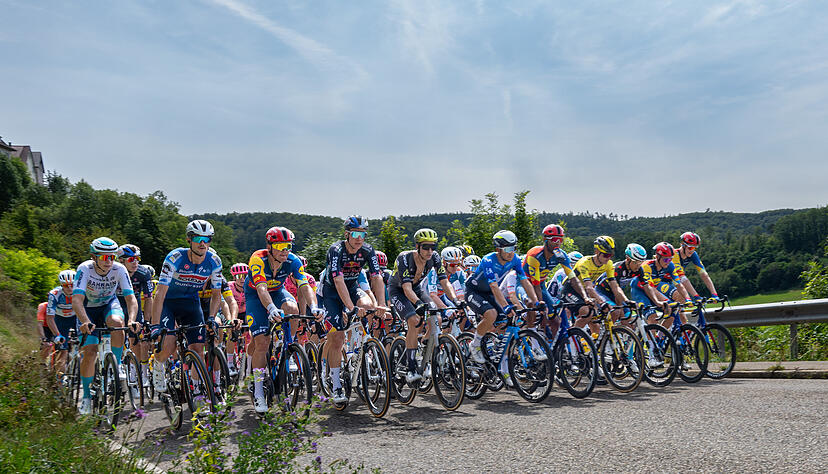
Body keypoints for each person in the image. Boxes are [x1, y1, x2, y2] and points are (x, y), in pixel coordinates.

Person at [244, 226, 321, 413]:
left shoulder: (293, 261)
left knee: (293, 309)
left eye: (288, 246)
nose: (285, 250)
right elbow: (261, 289)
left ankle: (288, 345)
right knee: (262, 342)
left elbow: (305, 286)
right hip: (256, 296)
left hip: (278, 292)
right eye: (280, 246)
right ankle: (259, 391)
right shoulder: (258, 259)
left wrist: (314, 306)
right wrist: (270, 308)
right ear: (269, 246)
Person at [317, 215, 387, 404]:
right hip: (331, 292)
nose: (359, 238)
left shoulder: (367, 250)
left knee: (369, 305)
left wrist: (381, 303)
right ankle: (336, 383)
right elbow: (338, 280)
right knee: (337, 338)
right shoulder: (336, 250)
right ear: (347, 234)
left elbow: (376, 277)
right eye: (355, 234)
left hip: (351, 286)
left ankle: (360, 348)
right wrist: (350, 308)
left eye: (363, 234)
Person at [149, 220, 224, 395]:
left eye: (207, 239)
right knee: (168, 344)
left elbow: (216, 294)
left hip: (191, 303)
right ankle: (158, 364)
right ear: (189, 240)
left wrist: (212, 317)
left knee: (198, 349)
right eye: (198, 238)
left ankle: (197, 393)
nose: (203, 243)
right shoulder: (175, 258)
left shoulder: (214, 261)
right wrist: (154, 325)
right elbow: (159, 293)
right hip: (169, 303)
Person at [387, 229, 463, 383]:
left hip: (416, 289)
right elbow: (406, 289)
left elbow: (444, 281)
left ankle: (423, 348)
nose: (430, 251)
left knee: (438, 319)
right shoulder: (404, 258)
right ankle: (411, 367)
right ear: (417, 246)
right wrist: (418, 304)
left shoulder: (434, 258)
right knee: (414, 321)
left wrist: (456, 300)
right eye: (426, 247)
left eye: (433, 247)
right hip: (398, 291)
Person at [72, 237, 138, 415]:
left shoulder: (119, 269)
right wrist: (85, 321)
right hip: (88, 309)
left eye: (112, 257)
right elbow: (77, 300)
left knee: (118, 323)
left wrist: (131, 319)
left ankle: (115, 368)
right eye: (104, 257)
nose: (109, 261)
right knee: (91, 351)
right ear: (94, 257)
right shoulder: (84, 269)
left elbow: (130, 299)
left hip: (109, 304)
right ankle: (86, 396)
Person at [464, 230, 540, 381]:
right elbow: (494, 286)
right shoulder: (488, 260)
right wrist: (506, 306)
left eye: (514, 248)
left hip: (490, 293)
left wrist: (536, 302)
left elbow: (525, 281)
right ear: (498, 249)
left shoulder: (515, 260)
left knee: (506, 325)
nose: (511, 253)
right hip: (474, 291)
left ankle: (501, 366)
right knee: (491, 314)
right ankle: (475, 344)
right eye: (508, 249)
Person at [522, 224, 583, 343]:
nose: (558, 243)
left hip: (541, 285)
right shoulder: (535, 255)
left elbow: (573, 278)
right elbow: (535, 285)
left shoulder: (561, 255)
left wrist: (585, 297)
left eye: (561, 239)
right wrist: (541, 306)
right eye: (555, 239)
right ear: (545, 240)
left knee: (555, 320)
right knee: (534, 306)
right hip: (524, 284)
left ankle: (554, 350)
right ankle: (533, 338)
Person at [562, 236, 631, 336]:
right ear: (597, 252)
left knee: (601, 319)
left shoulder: (609, 264)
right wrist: (601, 302)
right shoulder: (584, 263)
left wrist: (626, 300)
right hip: (570, 289)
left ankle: (597, 347)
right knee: (587, 312)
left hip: (584, 291)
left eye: (610, 255)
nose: (608, 258)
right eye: (606, 255)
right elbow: (589, 287)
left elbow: (614, 286)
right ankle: (571, 338)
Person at [116, 244, 154, 394]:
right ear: (121, 261)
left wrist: (147, 321)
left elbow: (149, 298)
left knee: (135, 341)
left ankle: (135, 375)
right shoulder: (114, 272)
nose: (135, 262)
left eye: (137, 259)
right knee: (117, 334)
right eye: (131, 259)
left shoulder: (144, 273)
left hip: (134, 304)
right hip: (117, 303)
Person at [44, 270, 77, 375]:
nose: (70, 288)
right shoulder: (54, 295)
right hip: (60, 320)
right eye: (66, 286)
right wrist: (57, 335)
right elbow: (49, 318)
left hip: (76, 318)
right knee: (63, 351)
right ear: (61, 285)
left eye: (72, 285)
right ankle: (60, 382)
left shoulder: (81, 291)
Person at [673, 232, 720, 300]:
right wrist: (696, 296)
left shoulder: (693, 254)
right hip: (662, 282)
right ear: (683, 245)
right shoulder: (674, 254)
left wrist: (714, 294)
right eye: (690, 247)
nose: (692, 250)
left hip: (675, 282)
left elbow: (704, 274)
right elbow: (682, 277)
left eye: (695, 247)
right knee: (681, 298)